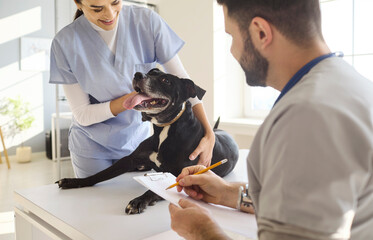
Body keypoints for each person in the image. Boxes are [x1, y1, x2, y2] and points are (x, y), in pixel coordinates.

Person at [168, 0, 373, 239]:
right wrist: (228, 194)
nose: (232, 50)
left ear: (261, 32)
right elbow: (313, 199)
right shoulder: (352, 85)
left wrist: (201, 231)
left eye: (232, 36)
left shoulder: (305, 117)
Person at [49, 0, 215, 178]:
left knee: (133, 201)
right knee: (95, 202)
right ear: (78, 3)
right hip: (91, 146)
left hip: (138, 140)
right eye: (97, 8)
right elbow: (82, 114)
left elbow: (183, 81)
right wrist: (132, 100)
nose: (110, 14)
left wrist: (209, 133)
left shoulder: (147, 22)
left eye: (115, 3)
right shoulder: (64, 43)